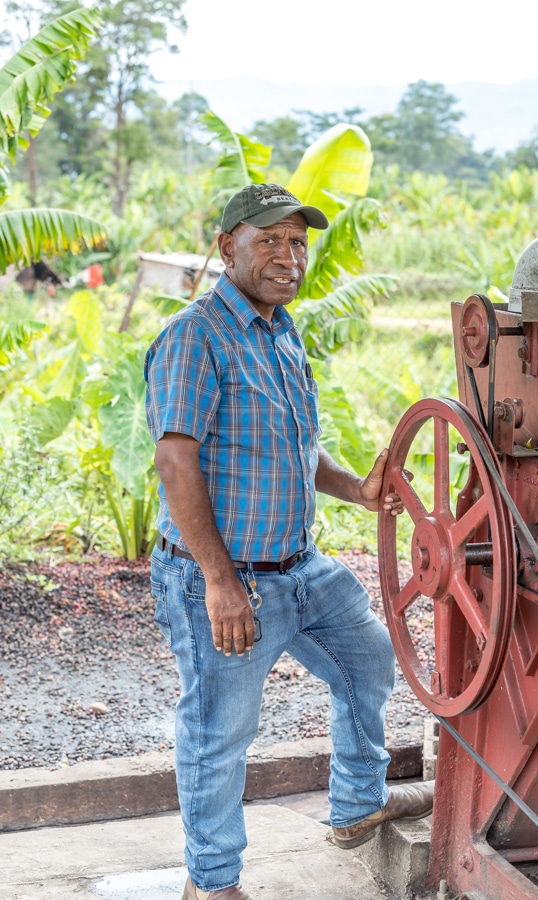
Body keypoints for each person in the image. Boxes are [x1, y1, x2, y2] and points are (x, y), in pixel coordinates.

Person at [144, 183, 434, 900]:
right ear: (227, 247)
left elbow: (298, 447)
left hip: (300, 568)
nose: (287, 255)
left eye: (298, 243)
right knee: (220, 732)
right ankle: (211, 886)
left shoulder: (280, 331)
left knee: (367, 658)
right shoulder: (196, 335)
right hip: (222, 575)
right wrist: (220, 582)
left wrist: (358, 492)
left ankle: (356, 805)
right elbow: (176, 460)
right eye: (268, 239)